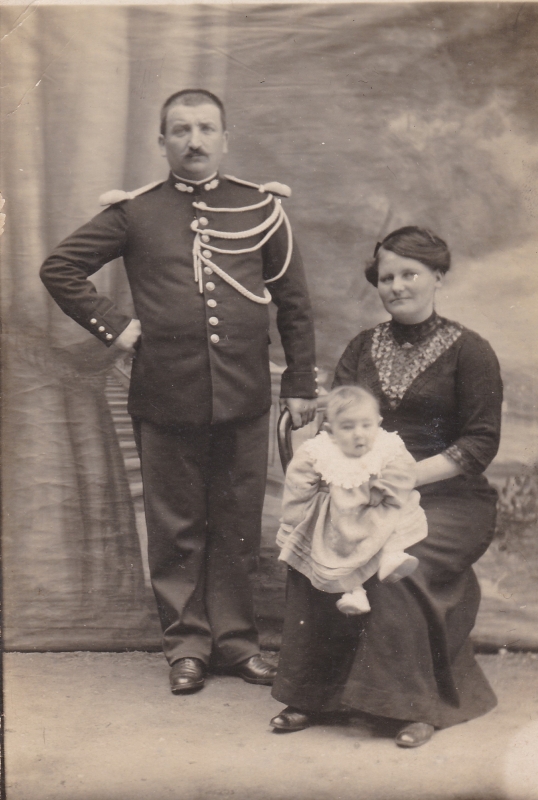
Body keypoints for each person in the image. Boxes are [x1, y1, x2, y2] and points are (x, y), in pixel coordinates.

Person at [40, 89, 318, 694]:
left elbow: (293, 303)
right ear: (161, 141)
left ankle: (238, 644)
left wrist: (300, 381)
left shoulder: (262, 208)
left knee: (239, 524)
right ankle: (187, 646)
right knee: (176, 527)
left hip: (245, 394)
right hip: (166, 394)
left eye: (206, 129)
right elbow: (59, 267)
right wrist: (117, 327)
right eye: (181, 130)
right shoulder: (136, 212)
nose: (194, 141)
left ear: (225, 137)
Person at [270, 226, 503, 748]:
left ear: (437, 276)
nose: (397, 286)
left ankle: (413, 705)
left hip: (449, 497)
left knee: (397, 563)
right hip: (363, 487)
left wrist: (408, 475)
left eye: (410, 274)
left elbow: (480, 443)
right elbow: (338, 419)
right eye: (387, 277)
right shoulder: (362, 347)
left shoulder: (471, 351)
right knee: (321, 546)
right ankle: (314, 694)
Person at [276, 385, 427, 616]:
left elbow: (405, 471)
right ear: (330, 430)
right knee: (337, 545)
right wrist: (295, 517)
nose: (359, 434)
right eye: (347, 427)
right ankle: (354, 592)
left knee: (397, 514)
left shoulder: (385, 445)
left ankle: (392, 555)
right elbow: (298, 482)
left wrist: (385, 489)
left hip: (378, 507)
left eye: (366, 425)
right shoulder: (319, 450)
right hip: (340, 515)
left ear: (377, 422)